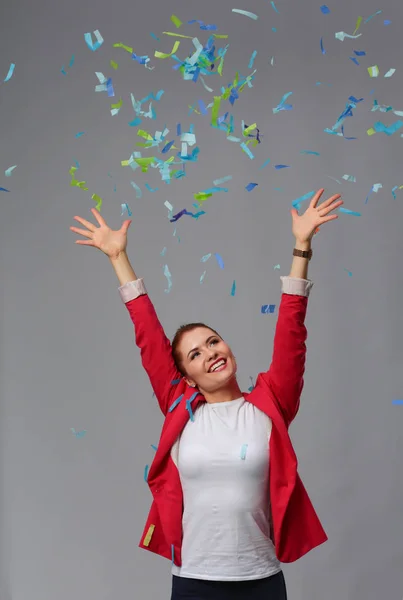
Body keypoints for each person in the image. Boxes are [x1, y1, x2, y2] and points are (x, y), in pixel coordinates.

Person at [70, 188, 343, 600]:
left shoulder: (271, 404)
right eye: (195, 354)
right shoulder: (180, 406)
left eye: (213, 341)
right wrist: (117, 258)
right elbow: (148, 336)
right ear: (187, 376)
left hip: (262, 580)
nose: (210, 353)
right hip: (194, 579)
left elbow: (291, 333)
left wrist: (301, 246)